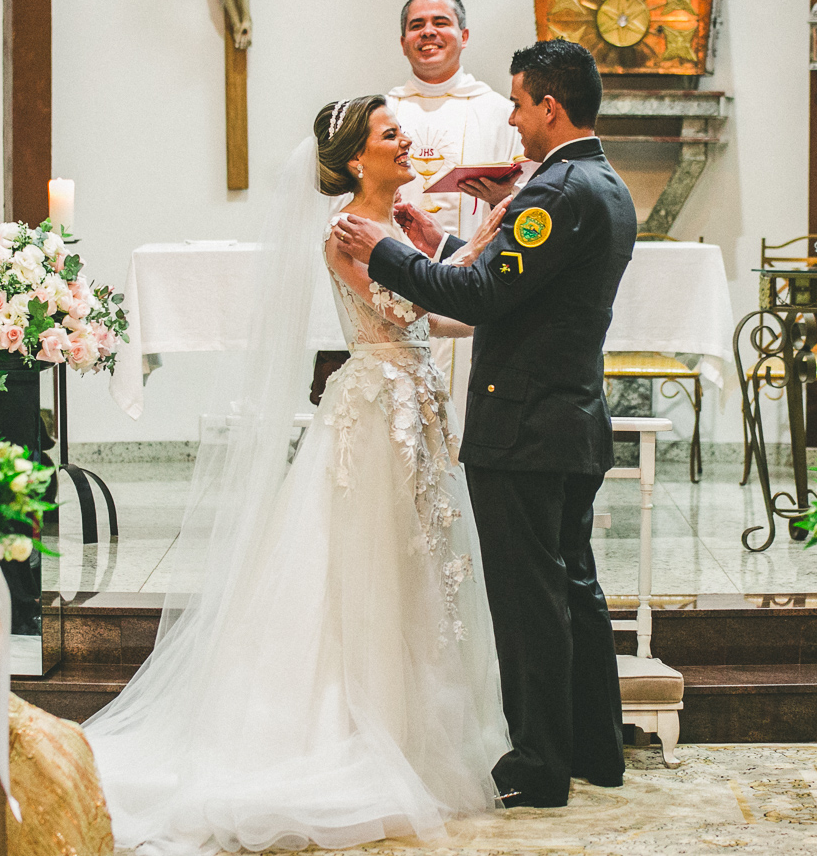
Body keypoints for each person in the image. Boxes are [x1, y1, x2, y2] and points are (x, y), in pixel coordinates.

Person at [83, 96, 511, 854]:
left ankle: (419, 729)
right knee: (363, 566)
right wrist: (478, 240)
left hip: (416, 406)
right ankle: (340, 727)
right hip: (375, 413)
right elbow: (414, 312)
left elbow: (456, 319)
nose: (404, 139)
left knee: (417, 568)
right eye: (389, 134)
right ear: (356, 159)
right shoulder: (348, 230)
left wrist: (444, 246)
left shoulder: (399, 221)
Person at [334, 39, 635, 808]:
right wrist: (430, 242)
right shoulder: (602, 182)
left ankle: (539, 763)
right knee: (573, 587)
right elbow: (508, 283)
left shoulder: (555, 193)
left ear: (550, 106)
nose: (511, 116)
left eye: (519, 102)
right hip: (569, 417)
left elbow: (479, 299)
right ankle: (596, 746)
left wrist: (386, 253)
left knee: (532, 600)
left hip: (527, 425)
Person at [389, 0, 526, 415]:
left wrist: (507, 195)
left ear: (463, 35)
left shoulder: (499, 112)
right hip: (396, 281)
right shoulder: (381, 112)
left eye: (440, 23)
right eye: (417, 26)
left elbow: (531, 200)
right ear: (403, 42)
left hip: (477, 285)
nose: (428, 33)